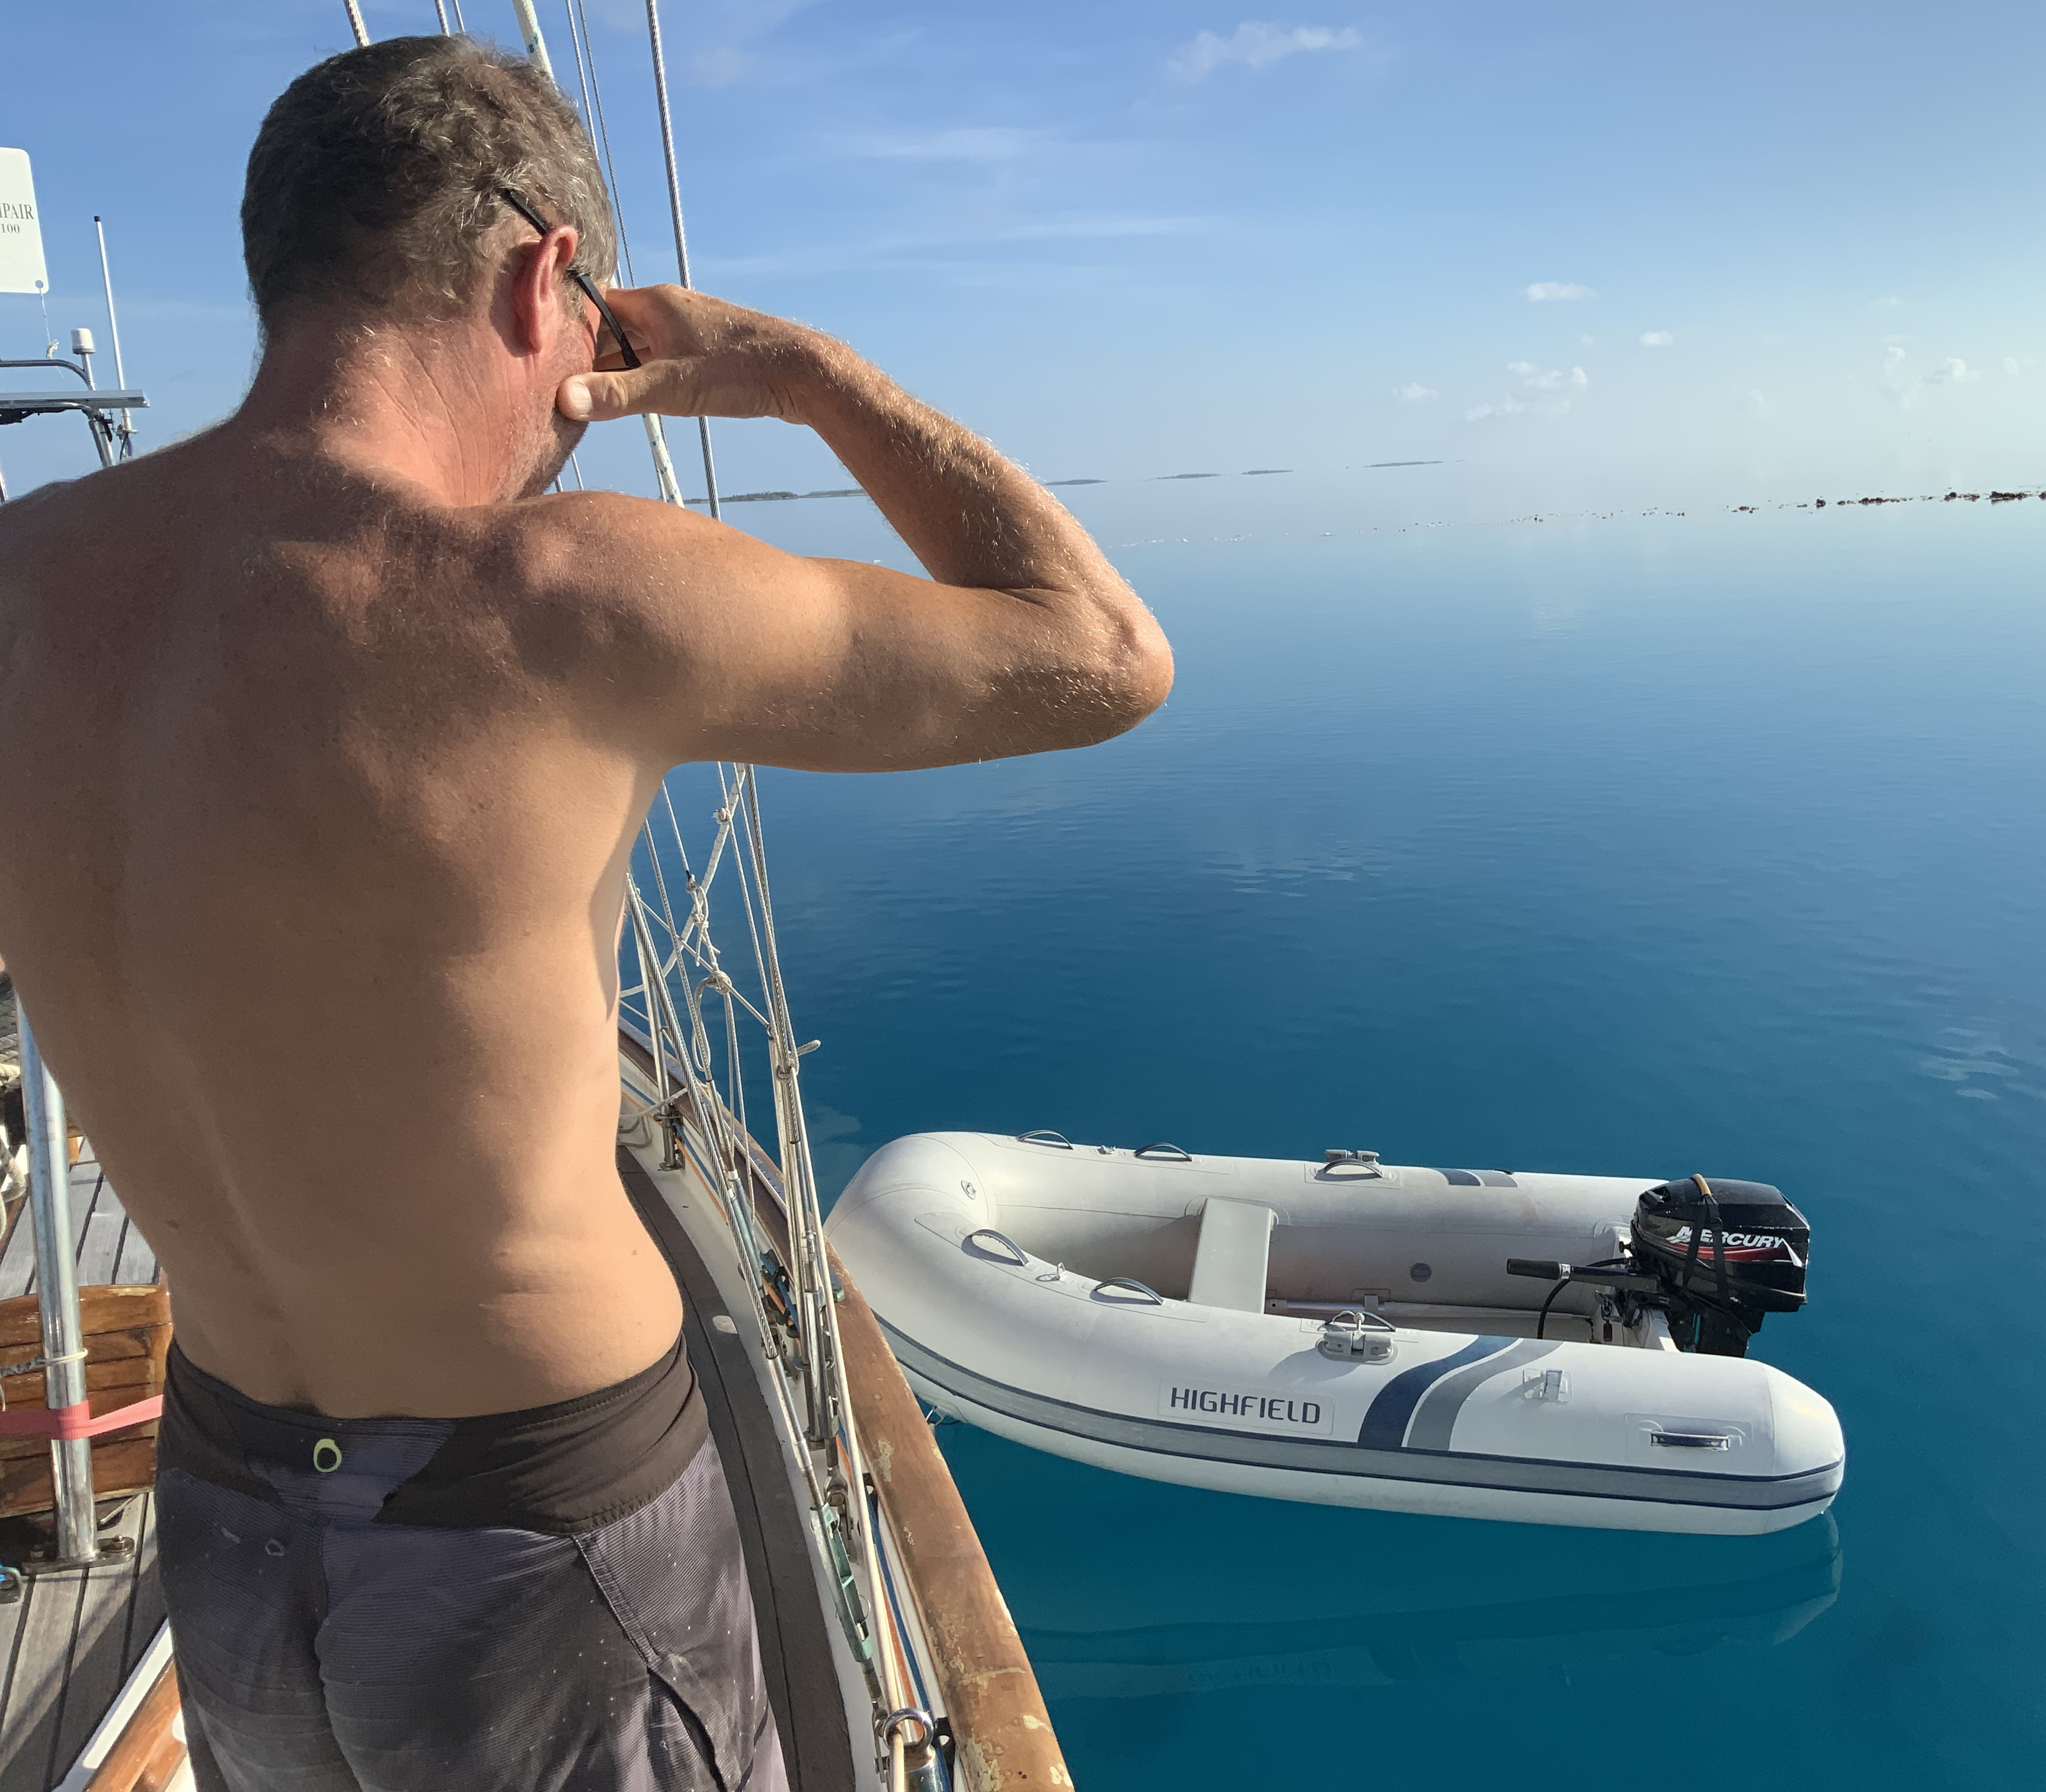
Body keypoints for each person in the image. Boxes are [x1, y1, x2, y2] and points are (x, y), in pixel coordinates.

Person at [0, 34, 1169, 1792]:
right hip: (537, 1539)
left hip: (231, 1516)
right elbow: (1102, 657)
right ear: (545, 279)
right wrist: (806, 375)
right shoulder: (565, 593)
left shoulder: (22, 583)